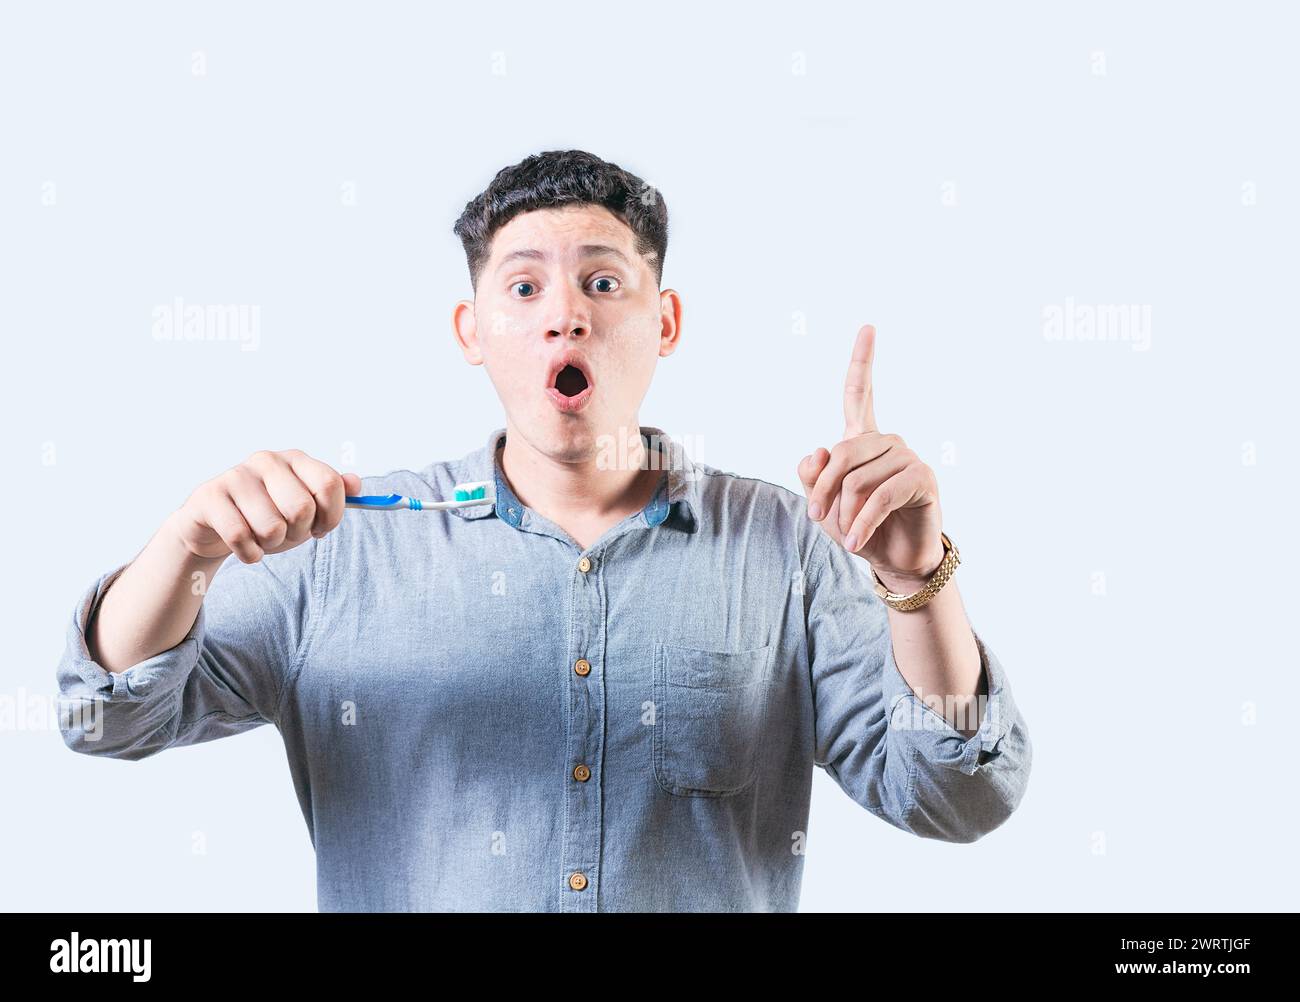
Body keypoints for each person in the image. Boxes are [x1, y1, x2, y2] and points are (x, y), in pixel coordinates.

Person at [55, 149, 1032, 912]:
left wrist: (918, 577)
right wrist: (186, 550)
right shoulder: (341, 544)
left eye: (603, 284)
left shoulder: (789, 544)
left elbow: (953, 794)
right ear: (469, 330)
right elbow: (104, 717)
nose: (564, 313)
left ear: (666, 319)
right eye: (523, 288)